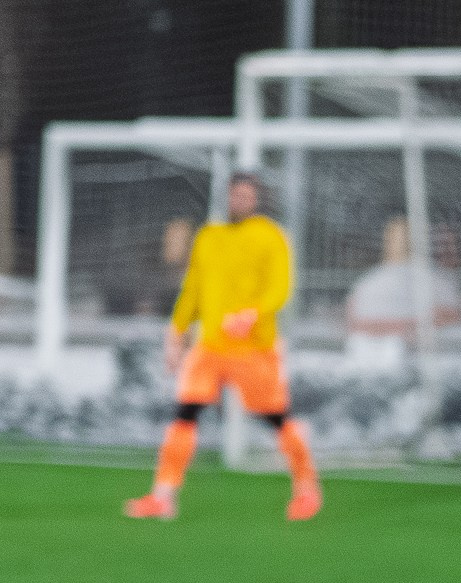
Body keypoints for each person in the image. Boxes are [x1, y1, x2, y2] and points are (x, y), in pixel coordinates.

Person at [124, 172, 320, 522]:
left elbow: (280, 288)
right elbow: (193, 289)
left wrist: (253, 313)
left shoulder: (270, 236)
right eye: (234, 195)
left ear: (258, 200)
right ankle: (163, 496)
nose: (239, 201)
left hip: (253, 348)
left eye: (246, 195)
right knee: (185, 415)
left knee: (277, 418)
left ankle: (306, 488)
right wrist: (177, 330)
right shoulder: (209, 236)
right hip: (210, 346)